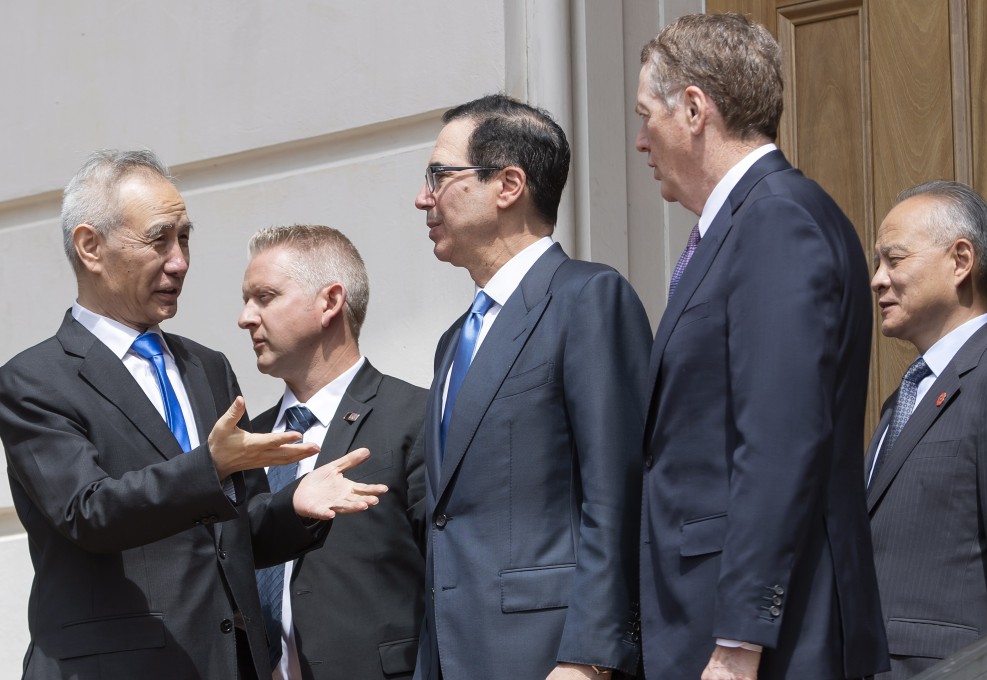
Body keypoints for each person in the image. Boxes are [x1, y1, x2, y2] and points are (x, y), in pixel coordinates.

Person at [0, 149, 386, 680]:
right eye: (159, 239)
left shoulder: (207, 367)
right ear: (91, 247)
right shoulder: (35, 379)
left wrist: (294, 507)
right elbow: (85, 513)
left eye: (185, 238)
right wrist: (210, 466)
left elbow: (236, 535)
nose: (180, 260)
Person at [635, 13, 888, 680]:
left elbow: (780, 436)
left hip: (766, 643)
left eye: (645, 116)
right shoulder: (750, 221)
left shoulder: (775, 219)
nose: (640, 142)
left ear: (694, 109)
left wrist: (740, 638)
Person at [411, 94, 651, 680]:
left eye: (440, 176)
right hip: (452, 653)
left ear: (508, 184)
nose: (424, 197)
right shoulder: (453, 341)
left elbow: (616, 493)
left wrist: (590, 658)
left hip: (550, 655)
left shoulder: (588, 298)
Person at [238, 224, 427, 680]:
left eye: (264, 297)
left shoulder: (415, 417)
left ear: (330, 301)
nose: (246, 317)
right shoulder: (245, 443)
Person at [866, 181, 987, 679]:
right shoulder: (902, 398)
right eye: (877, 264)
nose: (877, 280)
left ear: (960, 261)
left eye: (894, 259)